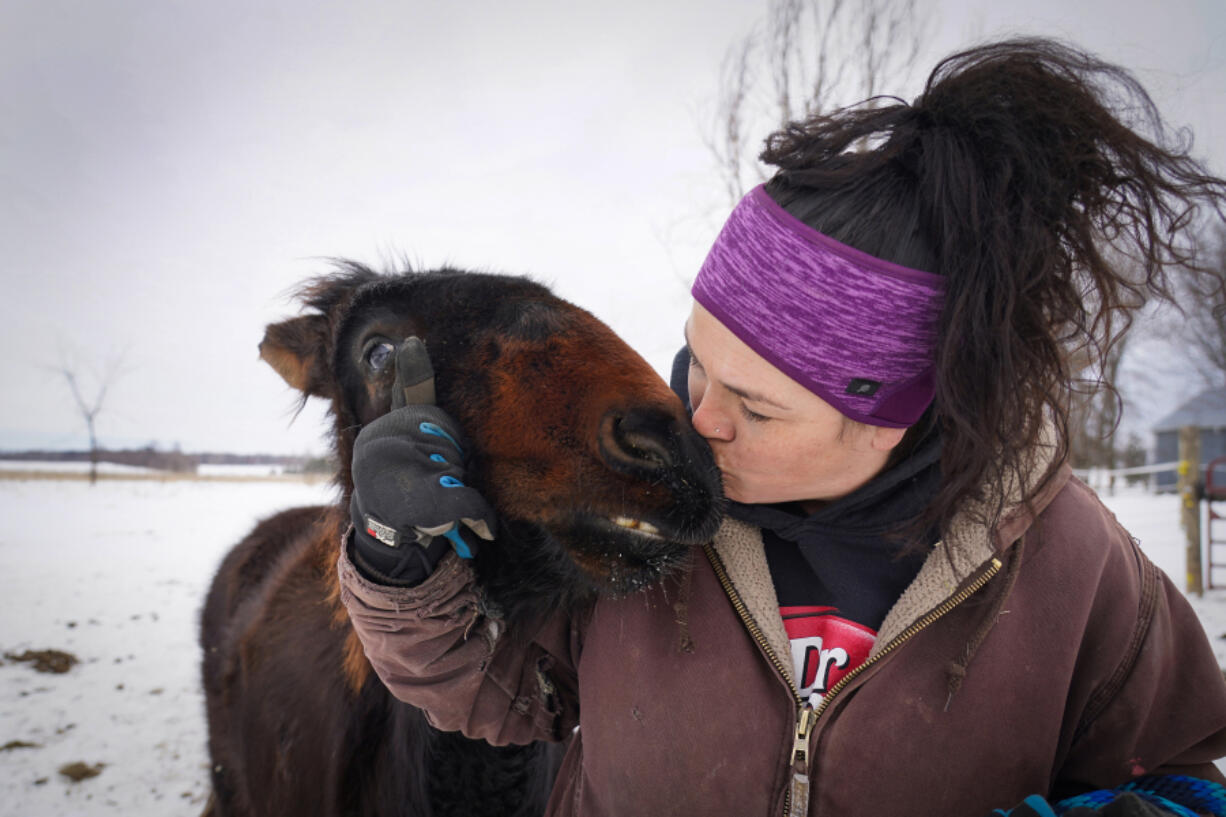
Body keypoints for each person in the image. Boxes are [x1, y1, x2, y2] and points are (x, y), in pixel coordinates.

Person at [337, 39, 1226, 816]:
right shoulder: (662, 514)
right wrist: (396, 555)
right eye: (697, 362)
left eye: (757, 406)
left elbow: (1179, 772)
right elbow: (494, 688)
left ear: (902, 419)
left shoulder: (1077, 570)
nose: (700, 416)